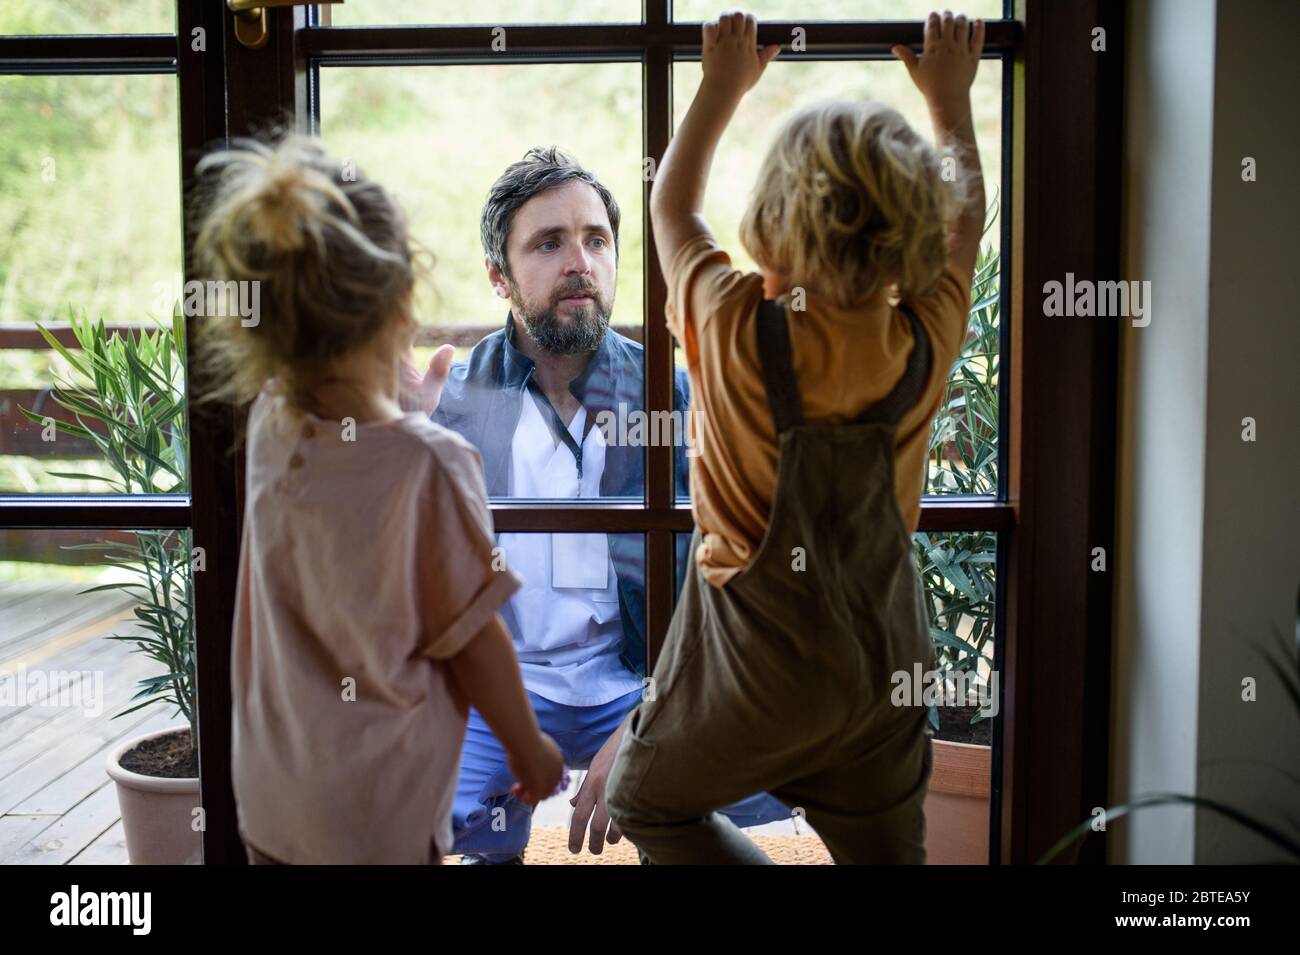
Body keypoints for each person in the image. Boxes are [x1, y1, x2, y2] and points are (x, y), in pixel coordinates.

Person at [606, 9, 986, 863]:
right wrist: (951, 102)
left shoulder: (735, 323)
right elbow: (966, 217)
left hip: (752, 675)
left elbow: (671, 203)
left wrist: (720, 86)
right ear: (908, 238)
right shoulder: (921, 337)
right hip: (882, 675)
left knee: (646, 801)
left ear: (772, 219)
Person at [191, 133, 563, 864]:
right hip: (377, 813)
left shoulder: (270, 421)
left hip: (272, 796)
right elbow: (475, 642)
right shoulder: (434, 465)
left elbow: (353, 482)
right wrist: (529, 747)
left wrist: (403, 418)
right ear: (403, 302)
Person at [418, 146, 790, 862]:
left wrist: (651, 717)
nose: (579, 262)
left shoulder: (670, 394)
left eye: (595, 240)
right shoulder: (462, 397)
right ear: (499, 275)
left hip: (638, 681)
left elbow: (731, 582)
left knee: (709, 793)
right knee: (426, 817)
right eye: (548, 243)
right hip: (504, 688)